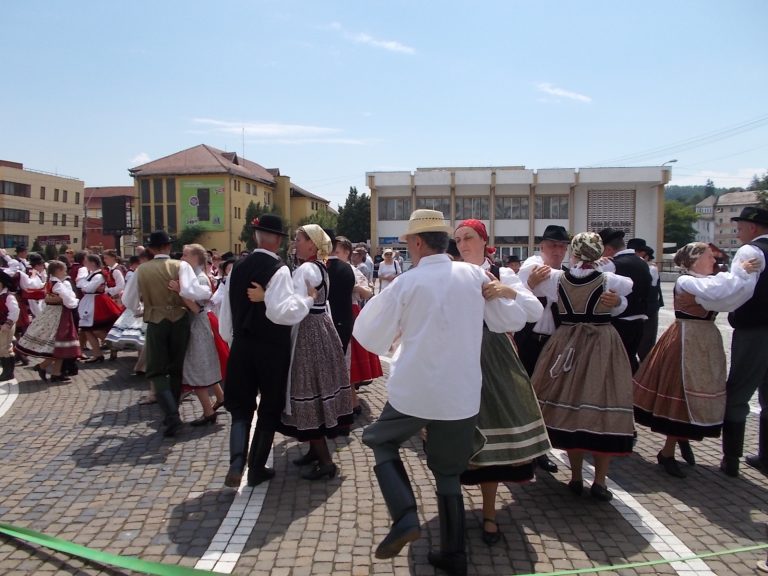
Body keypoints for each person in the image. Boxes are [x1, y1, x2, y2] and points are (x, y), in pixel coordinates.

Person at [353, 209, 521, 575]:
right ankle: (454, 554)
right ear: (445, 242)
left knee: (380, 440)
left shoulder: (407, 282)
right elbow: (511, 319)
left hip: (415, 389)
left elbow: (368, 333)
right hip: (461, 393)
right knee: (448, 471)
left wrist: (397, 333)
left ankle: (404, 516)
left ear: (416, 242)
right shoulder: (474, 274)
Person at [453, 219, 549, 546]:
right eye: (458, 239)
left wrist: (505, 290)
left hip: (494, 355)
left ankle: (490, 513)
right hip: (458, 353)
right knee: (452, 435)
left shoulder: (502, 272)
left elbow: (534, 311)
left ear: (483, 240)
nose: (462, 244)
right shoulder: (450, 274)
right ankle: (451, 508)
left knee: (492, 431)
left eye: (468, 237)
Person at [634, 243, 759, 477]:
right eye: (709, 256)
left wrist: (741, 276)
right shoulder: (686, 281)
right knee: (682, 395)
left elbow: (729, 296)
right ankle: (668, 451)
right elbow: (716, 292)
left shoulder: (709, 281)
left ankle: (679, 440)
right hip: (685, 341)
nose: (713, 261)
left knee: (692, 394)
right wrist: (739, 272)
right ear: (694, 260)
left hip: (702, 341)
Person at [530, 232, 634, 502]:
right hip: (601, 342)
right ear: (600, 253)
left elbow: (536, 288)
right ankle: (599, 480)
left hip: (565, 341)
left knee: (569, 408)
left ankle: (576, 477)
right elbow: (626, 293)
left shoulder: (557, 279)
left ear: (573, 253)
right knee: (603, 406)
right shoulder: (611, 280)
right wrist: (618, 302)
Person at [219, 215, 316, 487]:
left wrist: (233, 341)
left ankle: (237, 462)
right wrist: (308, 300)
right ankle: (257, 467)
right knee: (269, 407)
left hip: (241, 345)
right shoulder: (279, 269)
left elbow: (225, 312)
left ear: (256, 237)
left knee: (240, 408)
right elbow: (282, 313)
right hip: (271, 348)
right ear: (277, 240)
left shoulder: (236, 268)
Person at [259, 224, 353, 481]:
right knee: (316, 388)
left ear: (312, 244)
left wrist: (264, 296)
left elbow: (291, 305)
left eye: (299, 239)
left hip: (309, 332)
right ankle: (315, 451)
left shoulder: (306, 269)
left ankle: (325, 462)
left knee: (307, 388)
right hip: (320, 328)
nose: (295, 243)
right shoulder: (319, 267)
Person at [122, 230, 212, 437]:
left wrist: (142, 307)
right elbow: (198, 293)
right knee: (175, 368)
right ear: (169, 247)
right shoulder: (180, 266)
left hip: (156, 321)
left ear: (151, 249)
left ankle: (171, 415)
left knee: (156, 369)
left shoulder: (142, 270)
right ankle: (173, 415)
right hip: (180, 320)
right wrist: (180, 291)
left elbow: (129, 301)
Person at [514, 224, 571, 474]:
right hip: (529, 340)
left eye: (562, 246)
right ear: (542, 247)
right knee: (526, 396)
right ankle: (527, 448)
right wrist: (527, 286)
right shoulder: (530, 269)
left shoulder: (567, 274)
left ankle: (542, 449)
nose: (558, 251)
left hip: (555, 341)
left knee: (550, 396)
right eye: (553, 246)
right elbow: (512, 301)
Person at [721, 206, 768, 477]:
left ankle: (731, 459)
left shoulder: (751, 252)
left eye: (739, 228)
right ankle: (766, 457)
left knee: (738, 394)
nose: (738, 232)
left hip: (754, 331)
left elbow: (738, 291)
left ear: (752, 228)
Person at [178, 243, 225, 427]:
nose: (182, 259)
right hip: (199, 323)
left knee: (195, 368)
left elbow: (197, 308)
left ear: (195, 258)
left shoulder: (200, 279)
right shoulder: (195, 276)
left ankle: (208, 411)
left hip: (198, 324)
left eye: (185, 255)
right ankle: (220, 397)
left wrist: (179, 293)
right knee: (204, 364)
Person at [16, 261, 80, 383]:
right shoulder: (58, 284)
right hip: (59, 315)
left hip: (52, 313)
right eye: (64, 270)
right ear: (58, 271)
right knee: (59, 343)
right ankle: (44, 367)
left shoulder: (51, 282)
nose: (65, 272)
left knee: (61, 344)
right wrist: (75, 300)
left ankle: (55, 372)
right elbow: (69, 301)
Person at [599, 228, 652, 374]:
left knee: (615, 366)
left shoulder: (612, 265)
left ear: (608, 249)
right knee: (629, 361)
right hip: (639, 323)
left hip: (618, 324)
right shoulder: (642, 263)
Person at [0, 271, 20, 382]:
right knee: (1, 348)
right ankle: (6, 371)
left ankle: (8, 373)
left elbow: (15, 311)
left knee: (5, 348)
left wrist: (8, 323)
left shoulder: (8, 297)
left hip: (6, 325)